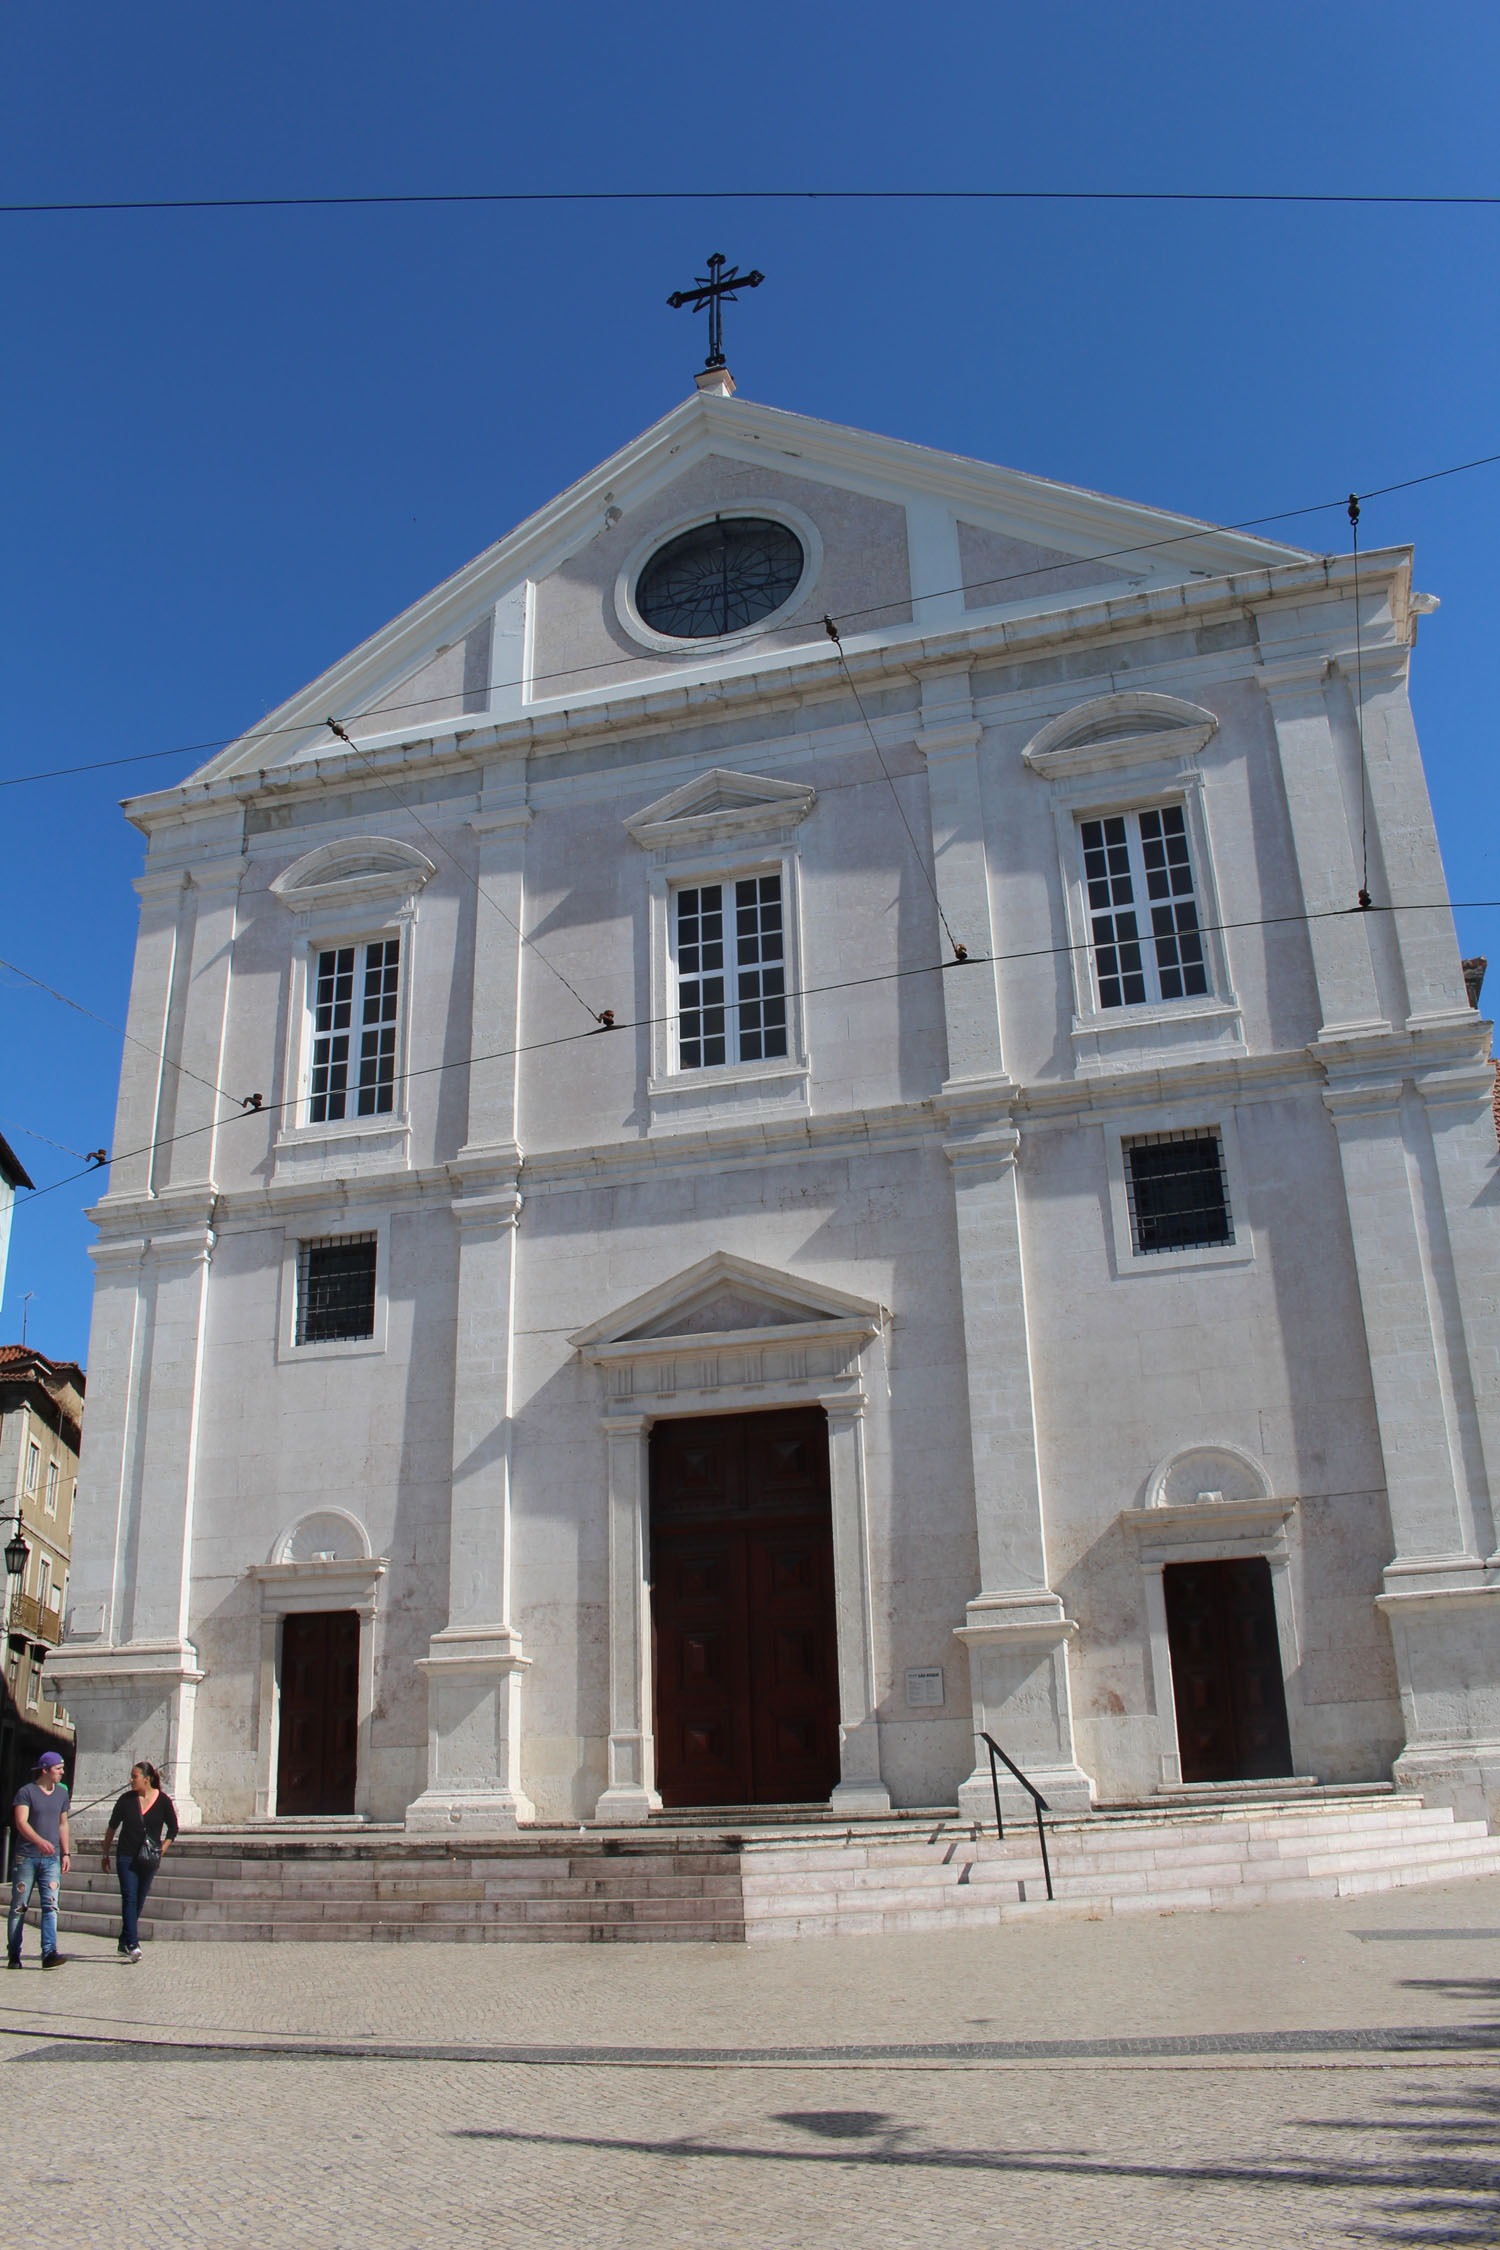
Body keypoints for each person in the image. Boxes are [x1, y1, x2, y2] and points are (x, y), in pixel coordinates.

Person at [101, 1762, 178, 1963]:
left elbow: (173, 1829)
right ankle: (133, 1944)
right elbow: (112, 1827)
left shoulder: (163, 1801)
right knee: (129, 1897)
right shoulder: (126, 1800)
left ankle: (123, 1940)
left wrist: (163, 1849)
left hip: (149, 1857)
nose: (131, 1780)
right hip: (126, 1855)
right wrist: (105, 1853)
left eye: (134, 1776)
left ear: (147, 1778)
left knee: (140, 1898)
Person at [8, 1750, 71, 1969]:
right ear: (45, 1770)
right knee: (19, 1906)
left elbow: (63, 1824)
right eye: (58, 1769)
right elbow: (21, 1822)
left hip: (52, 1858)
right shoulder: (26, 1792)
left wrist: (65, 1852)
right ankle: (14, 1953)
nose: (62, 1772)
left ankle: (49, 1953)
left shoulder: (62, 1793)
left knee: (51, 1906)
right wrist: (38, 1840)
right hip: (26, 1857)